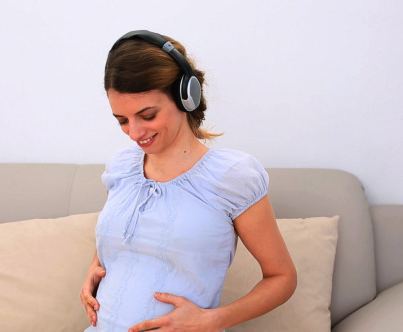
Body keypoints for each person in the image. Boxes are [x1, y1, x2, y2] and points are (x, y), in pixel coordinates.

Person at [80, 30, 297, 332]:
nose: (134, 132)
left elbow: (282, 277)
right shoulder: (121, 168)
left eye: (148, 115)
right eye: (122, 120)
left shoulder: (232, 177)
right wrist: (96, 267)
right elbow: (122, 236)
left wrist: (212, 320)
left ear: (186, 97)